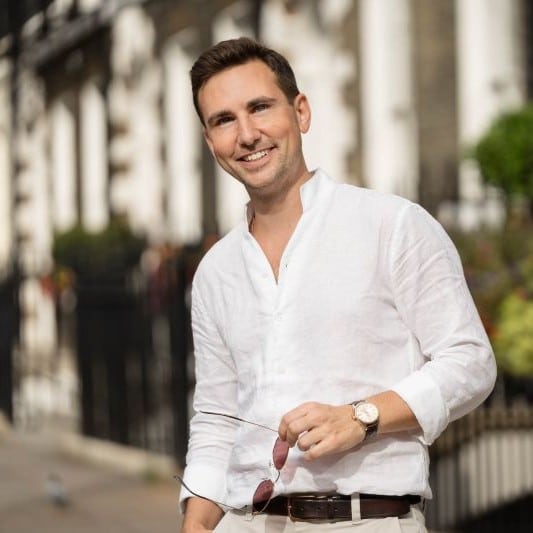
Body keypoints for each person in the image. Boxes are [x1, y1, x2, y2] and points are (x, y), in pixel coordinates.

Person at [178, 37, 496, 532]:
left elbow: (470, 362)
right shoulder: (215, 271)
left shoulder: (392, 224)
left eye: (260, 107)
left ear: (301, 112)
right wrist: (196, 523)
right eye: (224, 120)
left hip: (367, 518)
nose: (247, 134)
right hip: (246, 521)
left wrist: (362, 417)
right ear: (210, 141)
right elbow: (218, 417)